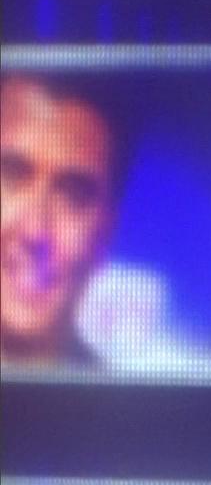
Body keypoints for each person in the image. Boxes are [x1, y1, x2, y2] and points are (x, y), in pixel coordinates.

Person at [0, 71, 121, 370]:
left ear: (103, 235)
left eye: (72, 195)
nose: (35, 231)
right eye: (11, 174)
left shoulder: (129, 396)